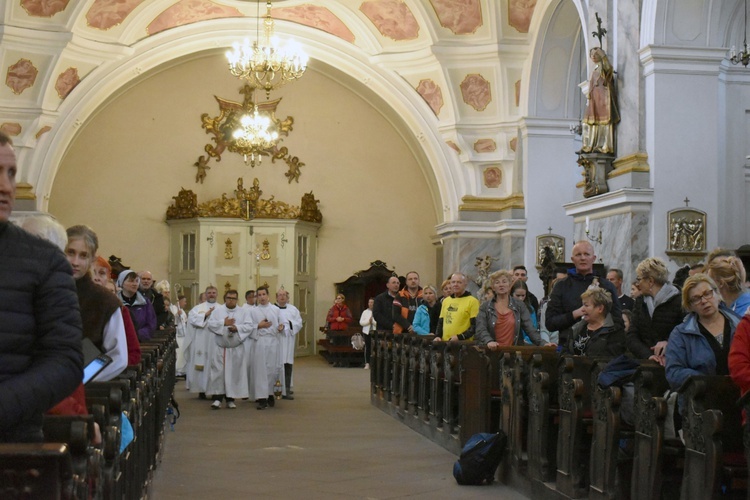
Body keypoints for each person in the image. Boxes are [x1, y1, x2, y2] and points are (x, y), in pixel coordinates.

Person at [0, 130, 83, 442]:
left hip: (11, 441)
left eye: (11, 174)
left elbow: (64, 359)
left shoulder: (43, 260)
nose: (7, 187)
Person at [665, 274, 741, 413]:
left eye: (707, 293)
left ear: (717, 294)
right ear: (690, 306)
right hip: (700, 405)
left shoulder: (740, 325)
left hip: (741, 401)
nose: (704, 301)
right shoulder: (681, 334)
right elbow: (674, 372)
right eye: (696, 298)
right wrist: (708, 382)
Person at [66, 225, 128, 381]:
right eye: (70, 253)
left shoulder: (105, 301)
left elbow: (118, 356)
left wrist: (80, 380)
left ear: (92, 260)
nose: (75, 262)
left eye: (83, 256)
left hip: (82, 389)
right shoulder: (44, 292)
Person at [545, 241, 622, 346]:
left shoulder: (607, 286)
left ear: (593, 258)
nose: (582, 258)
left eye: (586, 254)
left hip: (601, 346)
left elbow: (618, 320)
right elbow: (550, 323)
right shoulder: (561, 286)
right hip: (569, 346)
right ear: (573, 259)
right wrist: (575, 314)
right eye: (578, 254)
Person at [627, 257, 684, 366]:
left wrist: (668, 343)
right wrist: (648, 355)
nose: (638, 284)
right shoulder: (640, 301)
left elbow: (685, 333)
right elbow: (632, 335)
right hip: (645, 362)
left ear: (650, 281)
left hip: (672, 362)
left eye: (639, 279)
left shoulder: (678, 301)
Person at [475, 270, 549, 349]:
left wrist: (543, 343)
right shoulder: (485, 307)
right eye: (497, 282)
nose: (501, 285)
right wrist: (489, 341)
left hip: (513, 352)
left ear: (510, 285)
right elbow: (481, 329)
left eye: (504, 282)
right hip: (492, 352)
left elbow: (530, 329)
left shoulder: (519, 305)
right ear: (493, 287)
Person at [207, 290, 251, 409]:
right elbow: (210, 325)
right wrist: (223, 323)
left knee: (233, 374)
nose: (231, 300)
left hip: (235, 349)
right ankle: (217, 399)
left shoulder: (243, 312)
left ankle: (230, 399)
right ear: (224, 298)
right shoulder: (218, 311)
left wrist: (236, 327)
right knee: (218, 373)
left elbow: (249, 326)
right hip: (221, 348)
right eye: (228, 297)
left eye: (233, 298)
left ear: (237, 300)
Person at [245, 286, 283, 410]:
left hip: (272, 341)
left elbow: (283, 323)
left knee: (272, 369)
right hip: (260, 341)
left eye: (263, 294)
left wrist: (281, 328)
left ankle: (270, 393)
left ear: (268, 296)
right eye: (259, 295)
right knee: (260, 369)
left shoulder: (275, 309)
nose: (261, 297)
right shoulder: (253, 311)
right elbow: (248, 328)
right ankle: (262, 398)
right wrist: (258, 326)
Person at [564, 285, 626, 357]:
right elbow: (565, 351)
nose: (582, 309)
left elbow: (609, 357)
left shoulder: (615, 331)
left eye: (586, 305)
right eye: (583, 305)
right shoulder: (577, 328)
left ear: (600, 308)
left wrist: (581, 361)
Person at [579, 46, 619, 155]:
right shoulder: (595, 69)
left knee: (604, 122)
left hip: (603, 98)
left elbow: (608, 69)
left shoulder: (604, 67)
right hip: (595, 99)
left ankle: (604, 145)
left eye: (595, 54)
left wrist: (604, 56)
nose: (593, 56)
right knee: (588, 122)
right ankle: (589, 145)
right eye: (591, 54)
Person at [185, 286, 219, 398]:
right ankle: (202, 389)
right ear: (205, 294)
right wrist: (205, 315)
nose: (211, 294)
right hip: (202, 340)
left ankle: (215, 391)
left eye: (214, 293)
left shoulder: (221, 308)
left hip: (215, 341)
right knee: (203, 364)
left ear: (217, 294)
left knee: (215, 365)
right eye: (209, 293)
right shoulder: (198, 308)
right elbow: (191, 319)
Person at [435, 272, 480, 342]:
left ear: (465, 284)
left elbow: (475, 325)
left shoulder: (473, 301)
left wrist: (460, 337)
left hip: (463, 344)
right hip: (445, 342)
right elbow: (441, 321)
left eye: (459, 282)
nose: (455, 285)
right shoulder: (446, 301)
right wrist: (438, 336)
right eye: (453, 282)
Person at [275, 288, 302, 399]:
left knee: (287, 363)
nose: (282, 297)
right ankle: (277, 389)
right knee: (277, 364)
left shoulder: (293, 309)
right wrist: (278, 327)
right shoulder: (272, 309)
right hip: (277, 339)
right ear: (276, 297)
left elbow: (298, 323)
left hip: (288, 339)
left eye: (284, 295)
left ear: (288, 297)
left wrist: (287, 326)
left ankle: (286, 388)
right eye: (280, 295)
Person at [117, 270, 157, 341]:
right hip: (119, 341)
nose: (135, 284)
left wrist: (137, 335)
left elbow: (151, 324)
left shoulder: (145, 302)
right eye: (131, 281)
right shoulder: (115, 302)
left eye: (136, 281)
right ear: (122, 283)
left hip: (140, 341)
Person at [510, 279, 537, 345]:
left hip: (527, 342)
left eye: (523, 295)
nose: (520, 298)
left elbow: (533, 327)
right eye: (518, 295)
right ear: (512, 294)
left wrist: (527, 340)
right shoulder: (507, 307)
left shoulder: (530, 309)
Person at [359, 297, 377, 370]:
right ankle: (367, 363)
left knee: (375, 348)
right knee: (368, 347)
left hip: (375, 332)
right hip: (367, 332)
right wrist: (368, 322)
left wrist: (373, 322)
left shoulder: (377, 311)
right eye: (369, 302)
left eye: (372, 302)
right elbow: (361, 322)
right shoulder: (365, 312)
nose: (370, 304)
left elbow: (379, 322)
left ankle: (375, 363)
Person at [174, 294, 188, 377]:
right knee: (178, 353)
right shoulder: (174, 309)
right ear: (179, 301)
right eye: (184, 301)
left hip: (183, 334)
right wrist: (176, 315)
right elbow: (173, 321)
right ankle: (177, 370)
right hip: (177, 335)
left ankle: (182, 370)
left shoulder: (182, 311)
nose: (185, 303)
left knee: (183, 353)